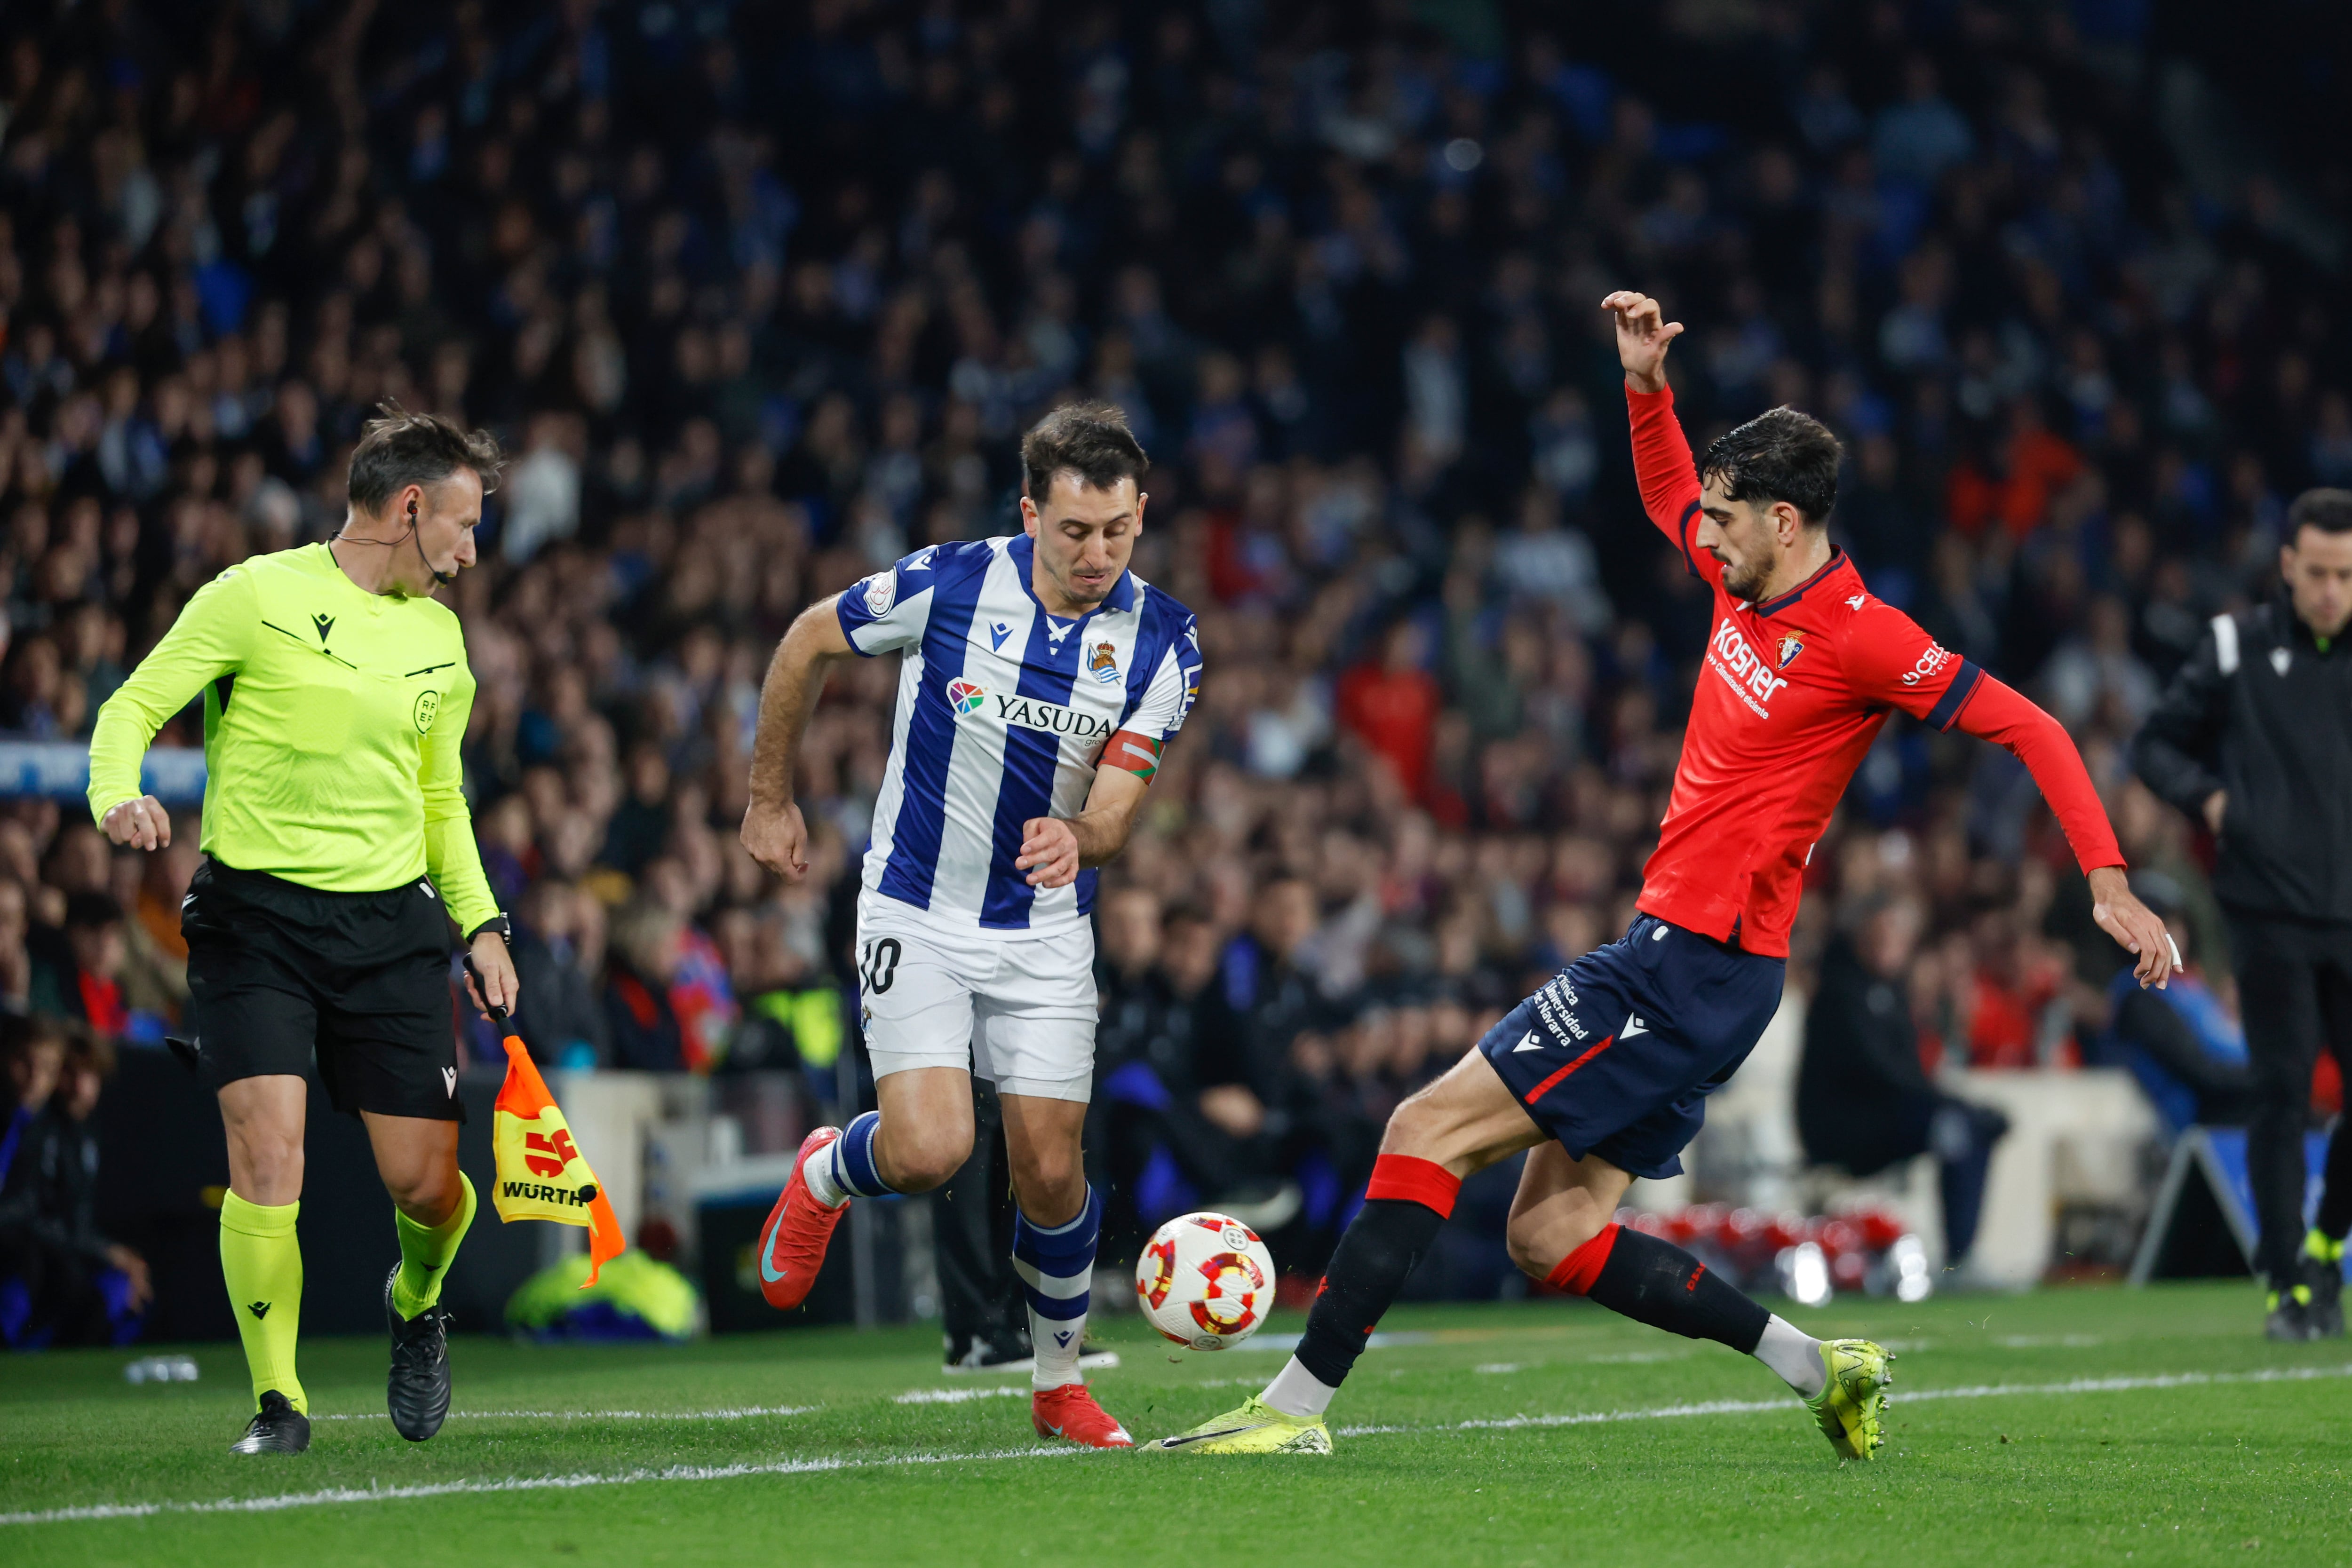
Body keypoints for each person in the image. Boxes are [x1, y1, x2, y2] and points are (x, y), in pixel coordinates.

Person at [1159, 291, 2175, 1458]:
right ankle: (1819, 1365)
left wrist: (2106, 880)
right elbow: (1664, 492)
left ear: (1787, 522)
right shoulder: (1741, 576)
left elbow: (2035, 727)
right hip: (1687, 963)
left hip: (1691, 969)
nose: (1710, 534)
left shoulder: (1865, 638)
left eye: (1730, 521)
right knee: (1549, 1237)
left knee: (1419, 1127)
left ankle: (1290, 1414)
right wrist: (1647, 386)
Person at [739, 402, 1200, 1449]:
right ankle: (825, 1168)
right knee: (933, 1149)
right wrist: (770, 795)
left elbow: (1125, 798)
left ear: (1141, 513)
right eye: (1074, 531)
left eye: (1118, 531)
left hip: (1043, 929)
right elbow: (809, 637)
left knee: (1050, 1169)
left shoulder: (1165, 640)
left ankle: (1058, 1383)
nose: (1096, 553)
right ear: (1030, 511)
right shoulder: (949, 582)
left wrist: (1084, 835)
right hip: (919, 907)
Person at [85, 404, 519, 1455]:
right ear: (408, 506)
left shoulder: (439, 640)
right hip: (256, 921)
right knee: (266, 1153)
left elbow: (439, 801)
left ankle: (416, 1302)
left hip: (390, 930)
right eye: (462, 526)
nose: (471, 554)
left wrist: (485, 923)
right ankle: (280, 1402)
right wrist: (116, 792)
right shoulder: (255, 597)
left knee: (426, 1185)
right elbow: (131, 707)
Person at [2131, 486, 2352, 1339]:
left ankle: (2329, 1243)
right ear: (2288, 566)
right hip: (2269, 912)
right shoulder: (2234, 649)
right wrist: (2211, 798)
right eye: (2320, 572)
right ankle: (2287, 1285)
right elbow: (2155, 745)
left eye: (2347, 574)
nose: (2333, 590)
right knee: (2282, 1093)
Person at [1796, 892, 2009, 1271]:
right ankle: (1960, 1260)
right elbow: (1879, 1072)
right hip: (1845, 1127)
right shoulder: (1840, 993)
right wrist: (1947, 1104)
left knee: (1971, 1128)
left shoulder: (1890, 993)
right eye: (1884, 933)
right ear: (1862, 935)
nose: (1892, 944)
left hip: (1885, 1117)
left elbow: (1907, 1074)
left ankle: (1965, 1254)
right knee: (1956, 1127)